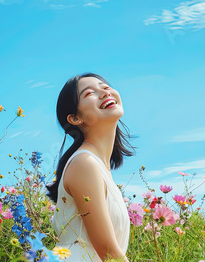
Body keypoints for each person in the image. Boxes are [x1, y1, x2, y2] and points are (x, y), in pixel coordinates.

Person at [46, 73, 137, 261]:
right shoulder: (84, 163)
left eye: (105, 86)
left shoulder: (95, 165)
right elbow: (107, 249)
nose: (105, 91)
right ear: (75, 118)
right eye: (89, 93)